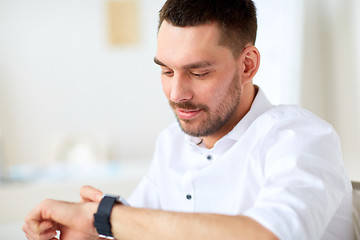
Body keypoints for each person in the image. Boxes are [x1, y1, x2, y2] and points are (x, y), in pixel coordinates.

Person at [23, 0, 354, 239]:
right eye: (166, 71)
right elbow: (134, 226)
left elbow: (268, 235)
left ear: (247, 65)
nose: (176, 93)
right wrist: (86, 234)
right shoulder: (171, 143)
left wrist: (105, 218)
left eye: (198, 72)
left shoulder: (301, 138)